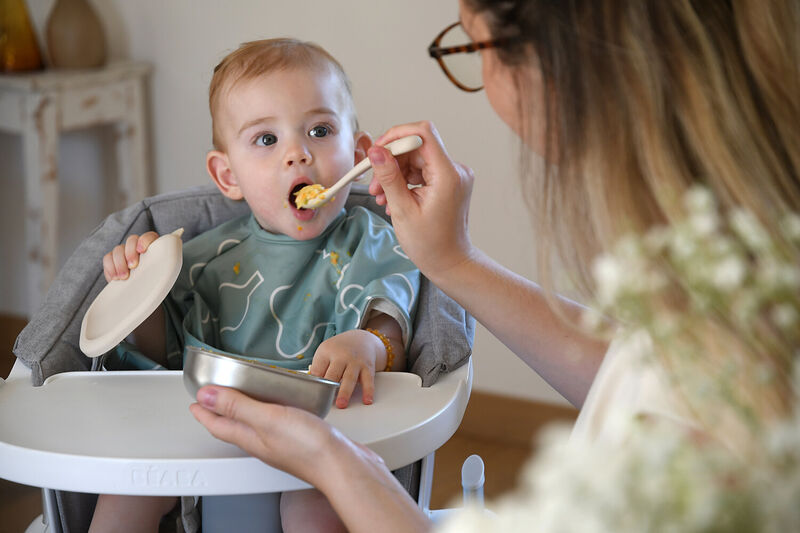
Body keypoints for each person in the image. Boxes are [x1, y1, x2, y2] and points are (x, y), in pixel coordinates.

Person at [190, 0, 800, 532]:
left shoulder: (724, 410)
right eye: (265, 139)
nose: (480, 78)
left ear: (548, 61)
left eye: (472, 45)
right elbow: (660, 372)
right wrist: (454, 261)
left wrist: (334, 461)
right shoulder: (745, 289)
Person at [89, 39, 421, 533]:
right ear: (228, 175)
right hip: (206, 423)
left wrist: (368, 344)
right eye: (266, 140)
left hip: (323, 431)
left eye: (320, 130)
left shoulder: (370, 242)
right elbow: (160, 358)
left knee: (317, 508)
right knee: (126, 487)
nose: (298, 154)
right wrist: (140, 292)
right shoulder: (202, 259)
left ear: (356, 154)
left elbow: (391, 318)